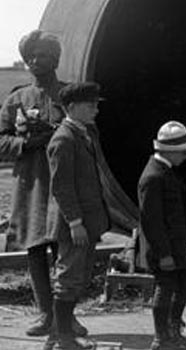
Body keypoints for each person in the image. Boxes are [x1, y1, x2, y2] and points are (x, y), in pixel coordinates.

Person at [0, 30, 87, 338]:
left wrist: (56, 133)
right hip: (31, 185)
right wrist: (25, 143)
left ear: (56, 59)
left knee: (66, 248)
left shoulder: (69, 96)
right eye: (33, 56)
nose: (38, 60)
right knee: (35, 249)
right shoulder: (16, 99)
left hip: (64, 184)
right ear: (27, 61)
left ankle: (67, 316)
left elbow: (87, 130)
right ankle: (45, 314)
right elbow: (1, 141)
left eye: (45, 55)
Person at [45, 82, 124, 350]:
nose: (96, 110)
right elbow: (61, 187)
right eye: (90, 105)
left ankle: (59, 335)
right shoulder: (64, 139)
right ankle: (63, 339)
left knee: (76, 277)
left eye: (96, 104)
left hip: (85, 223)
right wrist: (75, 222)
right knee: (68, 279)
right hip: (73, 225)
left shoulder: (82, 133)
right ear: (71, 108)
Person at [138, 121, 186, 350]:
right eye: (184, 150)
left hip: (177, 246)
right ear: (170, 151)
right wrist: (164, 254)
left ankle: (173, 331)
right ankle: (161, 338)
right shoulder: (153, 177)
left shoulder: (166, 172)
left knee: (184, 283)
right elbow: (152, 221)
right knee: (165, 288)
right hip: (164, 249)